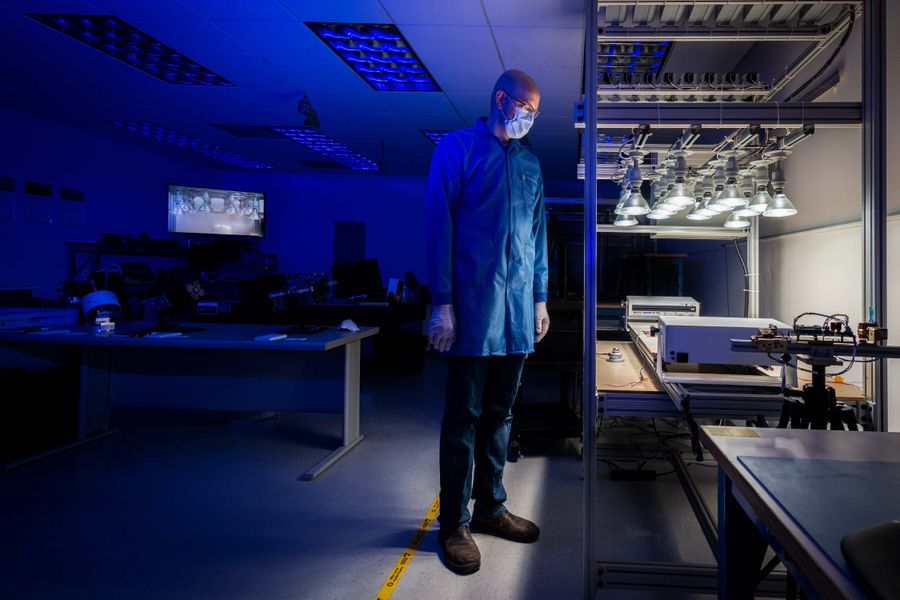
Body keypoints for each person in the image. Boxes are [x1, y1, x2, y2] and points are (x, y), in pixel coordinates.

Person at [425, 69, 549, 575]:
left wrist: (540, 299)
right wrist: (442, 302)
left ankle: (491, 509)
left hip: (518, 315)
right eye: (526, 108)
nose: (530, 118)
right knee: (463, 421)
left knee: (501, 416)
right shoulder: (455, 150)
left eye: (537, 113)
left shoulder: (531, 164)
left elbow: (538, 237)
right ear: (501, 100)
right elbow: (439, 227)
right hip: (472, 313)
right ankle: (453, 523)